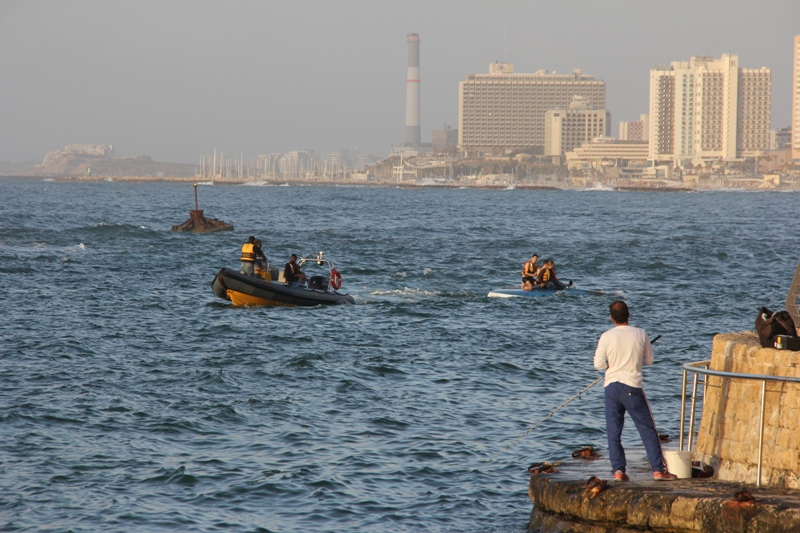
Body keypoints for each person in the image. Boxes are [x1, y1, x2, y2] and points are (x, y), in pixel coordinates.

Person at [593, 301, 677, 482]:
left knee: (613, 432)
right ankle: (658, 470)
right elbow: (649, 360)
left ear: (611, 317)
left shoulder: (606, 336)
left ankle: (618, 471)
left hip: (612, 388)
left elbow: (598, 364)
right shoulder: (641, 333)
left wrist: (611, 364)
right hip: (632, 388)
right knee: (647, 429)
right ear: (628, 315)